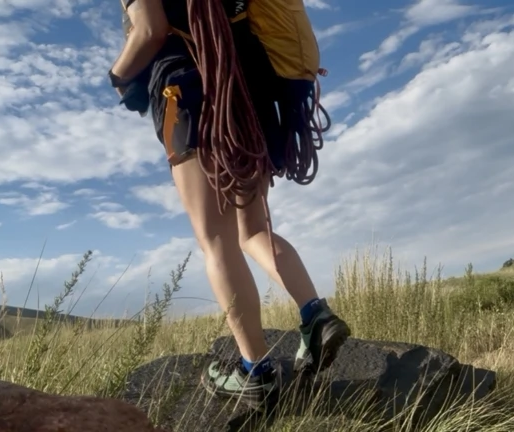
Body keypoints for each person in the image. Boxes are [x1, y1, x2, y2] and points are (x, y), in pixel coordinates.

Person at [108, 0, 351, 409]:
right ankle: (315, 315)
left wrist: (118, 75)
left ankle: (255, 371)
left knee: (215, 240)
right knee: (253, 230)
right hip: (251, 92)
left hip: (189, 93)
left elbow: (151, 30)